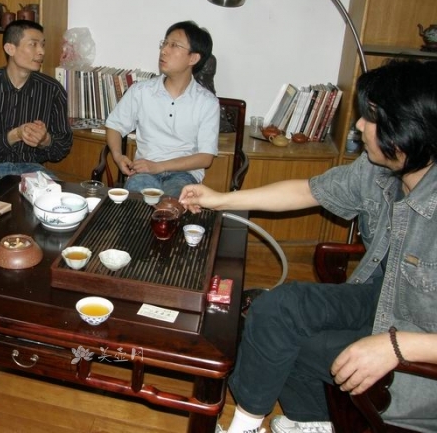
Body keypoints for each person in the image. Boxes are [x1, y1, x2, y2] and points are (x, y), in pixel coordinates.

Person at [179, 59, 437, 433]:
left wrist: (397, 347)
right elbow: (307, 191)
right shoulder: (378, 170)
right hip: (380, 297)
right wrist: (219, 199)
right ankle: (267, 424)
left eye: (371, 117)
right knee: (272, 312)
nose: (358, 125)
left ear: (407, 129)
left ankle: (317, 419)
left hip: (420, 358)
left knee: (301, 347)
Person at [0, 20, 73, 206]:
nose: (41, 51)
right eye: (33, 44)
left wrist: (45, 140)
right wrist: (15, 135)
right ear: (10, 48)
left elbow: (63, 146)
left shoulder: (53, 89)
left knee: (61, 208)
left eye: (42, 44)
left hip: (34, 171)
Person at [104, 20, 219, 198]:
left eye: (174, 45)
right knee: (136, 203)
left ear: (193, 58)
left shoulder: (207, 102)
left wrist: (159, 166)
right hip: (144, 172)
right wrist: (118, 157)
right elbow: (114, 125)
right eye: (164, 43)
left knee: (174, 205)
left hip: (184, 174)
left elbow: (205, 158)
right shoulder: (141, 91)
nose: (164, 50)